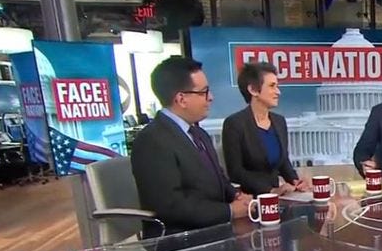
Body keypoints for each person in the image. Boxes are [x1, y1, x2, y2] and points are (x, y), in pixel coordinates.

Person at [130, 56, 251, 239]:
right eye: (204, 92)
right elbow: (172, 206)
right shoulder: (152, 140)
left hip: (215, 227)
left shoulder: (199, 134)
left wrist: (236, 197)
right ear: (181, 99)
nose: (211, 97)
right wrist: (229, 211)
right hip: (179, 238)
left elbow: (219, 180)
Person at [222, 62, 306, 196]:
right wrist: (270, 191)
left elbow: (283, 162)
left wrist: (295, 181)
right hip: (251, 199)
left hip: (279, 197)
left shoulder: (279, 122)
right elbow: (236, 172)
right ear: (253, 90)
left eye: (277, 86)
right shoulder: (234, 124)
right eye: (272, 86)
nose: (278, 92)